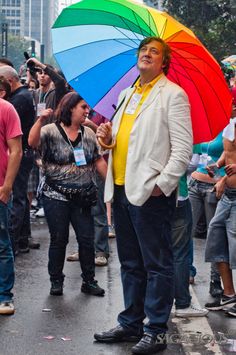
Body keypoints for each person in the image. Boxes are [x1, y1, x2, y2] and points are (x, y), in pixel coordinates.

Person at [94, 37, 192, 354]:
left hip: (150, 193)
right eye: (143, 51)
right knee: (131, 262)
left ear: (164, 62)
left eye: (154, 52)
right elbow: (124, 143)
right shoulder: (127, 95)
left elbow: (182, 151)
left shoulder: (173, 95)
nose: (146, 55)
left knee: (157, 263)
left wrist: (160, 186)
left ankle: (156, 329)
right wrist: (106, 139)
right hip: (121, 187)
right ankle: (131, 322)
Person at [28, 92, 107, 297]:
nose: (87, 111)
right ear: (70, 108)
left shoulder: (88, 134)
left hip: (82, 196)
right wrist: (40, 120)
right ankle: (56, 281)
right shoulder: (50, 130)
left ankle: (88, 281)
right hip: (55, 196)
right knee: (59, 239)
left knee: (86, 239)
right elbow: (32, 141)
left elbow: (97, 160)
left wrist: (113, 185)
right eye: (83, 107)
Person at [0, 65, 39, 254]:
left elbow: (15, 145)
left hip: (19, 153)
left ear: (8, 82)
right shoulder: (20, 97)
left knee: (15, 196)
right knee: (19, 196)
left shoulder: (16, 101)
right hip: (21, 151)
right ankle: (21, 239)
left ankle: (14, 240)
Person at [205, 106, 236, 316]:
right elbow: (228, 152)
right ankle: (229, 294)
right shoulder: (229, 127)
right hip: (229, 196)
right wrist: (217, 165)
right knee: (215, 237)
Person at [188, 133, 225, 297]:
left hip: (215, 187)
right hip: (195, 184)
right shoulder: (205, 126)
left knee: (214, 235)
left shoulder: (229, 128)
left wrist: (223, 180)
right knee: (186, 231)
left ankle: (215, 281)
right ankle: (186, 272)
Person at [172, 174, 208, 317]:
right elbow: (191, 163)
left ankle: (158, 303)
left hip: (148, 196)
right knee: (180, 252)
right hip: (177, 195)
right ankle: (182, 303)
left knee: (158, 251)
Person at [0, 97, 22, 315]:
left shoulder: (6, 108)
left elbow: (16, 150)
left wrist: (7, 186)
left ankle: (4, 295)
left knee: (1, 244)